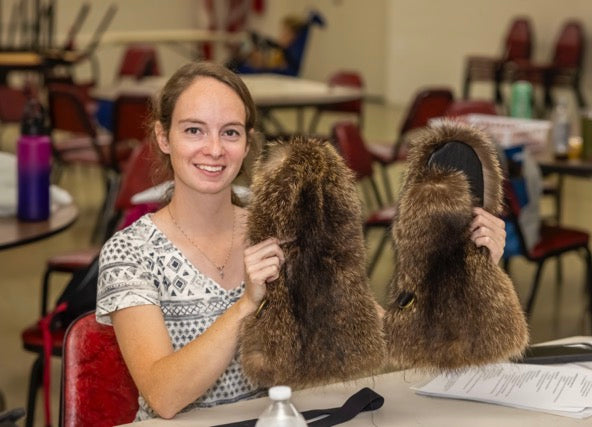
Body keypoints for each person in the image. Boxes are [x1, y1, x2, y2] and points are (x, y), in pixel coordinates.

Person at [96, 61, 507, 421]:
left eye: (231, 132)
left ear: (247, 142)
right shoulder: (129, 252)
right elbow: (164, 396)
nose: (215, 149)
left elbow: (395, 339)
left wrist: (470, 269)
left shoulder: (284, 225)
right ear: (163, 137)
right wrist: (247, 304)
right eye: (194, 130)